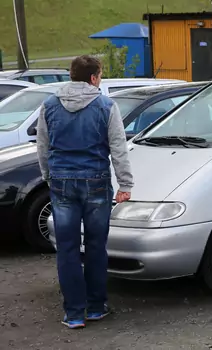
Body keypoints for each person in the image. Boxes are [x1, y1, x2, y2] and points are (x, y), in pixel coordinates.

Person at [36, 55, 134, 329]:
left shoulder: (49, 105)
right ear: (93, 78)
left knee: (66, 250)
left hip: (62, 182)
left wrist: (48, 176)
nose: (100, 81)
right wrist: (125, 184)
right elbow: (118, 147)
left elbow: (42, 146)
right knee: (95, 246)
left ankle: (74, 313)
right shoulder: (106, 105)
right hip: (96, 182)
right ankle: (96, 306)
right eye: (100, 76)